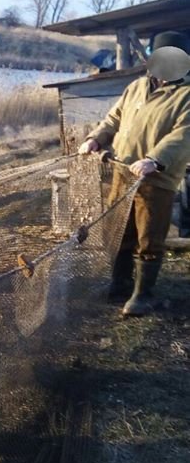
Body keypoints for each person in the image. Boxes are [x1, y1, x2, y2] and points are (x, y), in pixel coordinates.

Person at [78, 30, 190, 316]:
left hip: (156, 180)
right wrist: (96, 138)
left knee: (149, 237)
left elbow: (182, 135)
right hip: (122, 172)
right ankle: (118, 282)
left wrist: (154, 159)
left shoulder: (187, 94)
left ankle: (142, 295)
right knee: (119, 229)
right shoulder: (137, 86)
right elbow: (113, 118)